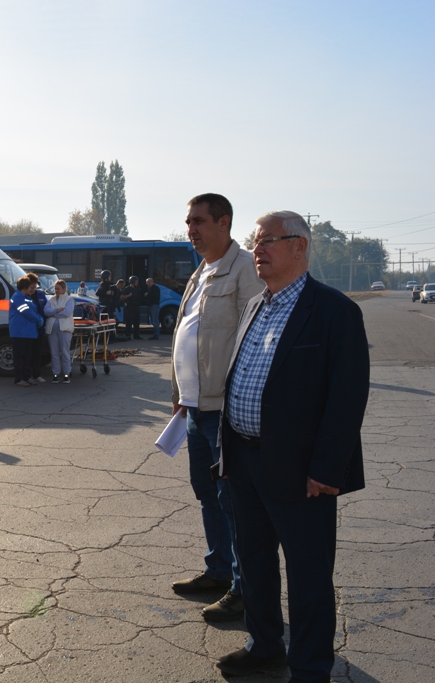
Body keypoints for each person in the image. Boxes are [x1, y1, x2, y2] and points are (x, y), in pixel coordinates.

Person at [215, 211, 369, 682]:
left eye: (268, 242)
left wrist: (327, 468)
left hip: (302, 471)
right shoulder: (256, 304)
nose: (257, 249)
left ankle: (310, 667)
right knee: (255, 564)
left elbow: (347, 398)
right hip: (244, 461)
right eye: (255, 241)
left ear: (299, 247)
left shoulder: (334, 311)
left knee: (308, 577)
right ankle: (264, 646)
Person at [170, 193, 262, 622]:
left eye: (199, 222)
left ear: (224, 222)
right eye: (189, 222)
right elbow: (186, 333)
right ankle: (219, 571)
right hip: (194, 408)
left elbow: (257, 340)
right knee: (208, 495)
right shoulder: (200, 272)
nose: (192, 230)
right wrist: (178, 390)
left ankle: (245, 589)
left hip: (226, 411)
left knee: (233, 502)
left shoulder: (246, 270)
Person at [9, 276, 43, 387]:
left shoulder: (26, 297)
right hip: (20, 332)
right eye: (29, 287)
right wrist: (39, 319)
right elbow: (26, 311)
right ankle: (19, 379)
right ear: (24, 287)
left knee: (27, 356)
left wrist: (38, 317)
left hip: (29, 332)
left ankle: (27, 377)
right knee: (20, 356)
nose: (31, 289)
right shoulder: (17, 297)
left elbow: (34, 310)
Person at [43, 279, 75, 383]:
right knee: (54, 352)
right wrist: (56, 310)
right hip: (52, 329)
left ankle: (66, 374)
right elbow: (46, 311)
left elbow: (67, 313)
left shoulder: (69, 299)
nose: (56, 290)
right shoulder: (51, 299)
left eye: (58, 289)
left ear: (64, 289)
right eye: (55, 288)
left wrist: (52, 314)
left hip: (65, 329)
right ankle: (55, 374)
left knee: (65, 352)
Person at [27, 273, 48, 383]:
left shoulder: (40, 295)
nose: (33, 289)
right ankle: (27, 376)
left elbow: (47, 309)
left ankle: (36, 375)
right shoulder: (24, 296)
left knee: (37, 353)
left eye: (35, 286)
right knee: (27, 354)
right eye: (31, 287)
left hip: (39, 330)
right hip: (28, 330)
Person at [120, 275, 142, 339]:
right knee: (129, 323)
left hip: (136, 307)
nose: (137, 283)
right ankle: (127, 335)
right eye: (136, 282)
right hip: (130, 308)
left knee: (137, 323)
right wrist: (128, 296)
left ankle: (136, 335)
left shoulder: (137, 289)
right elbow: (122, 297)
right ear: (132, 282)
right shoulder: (127, 289)